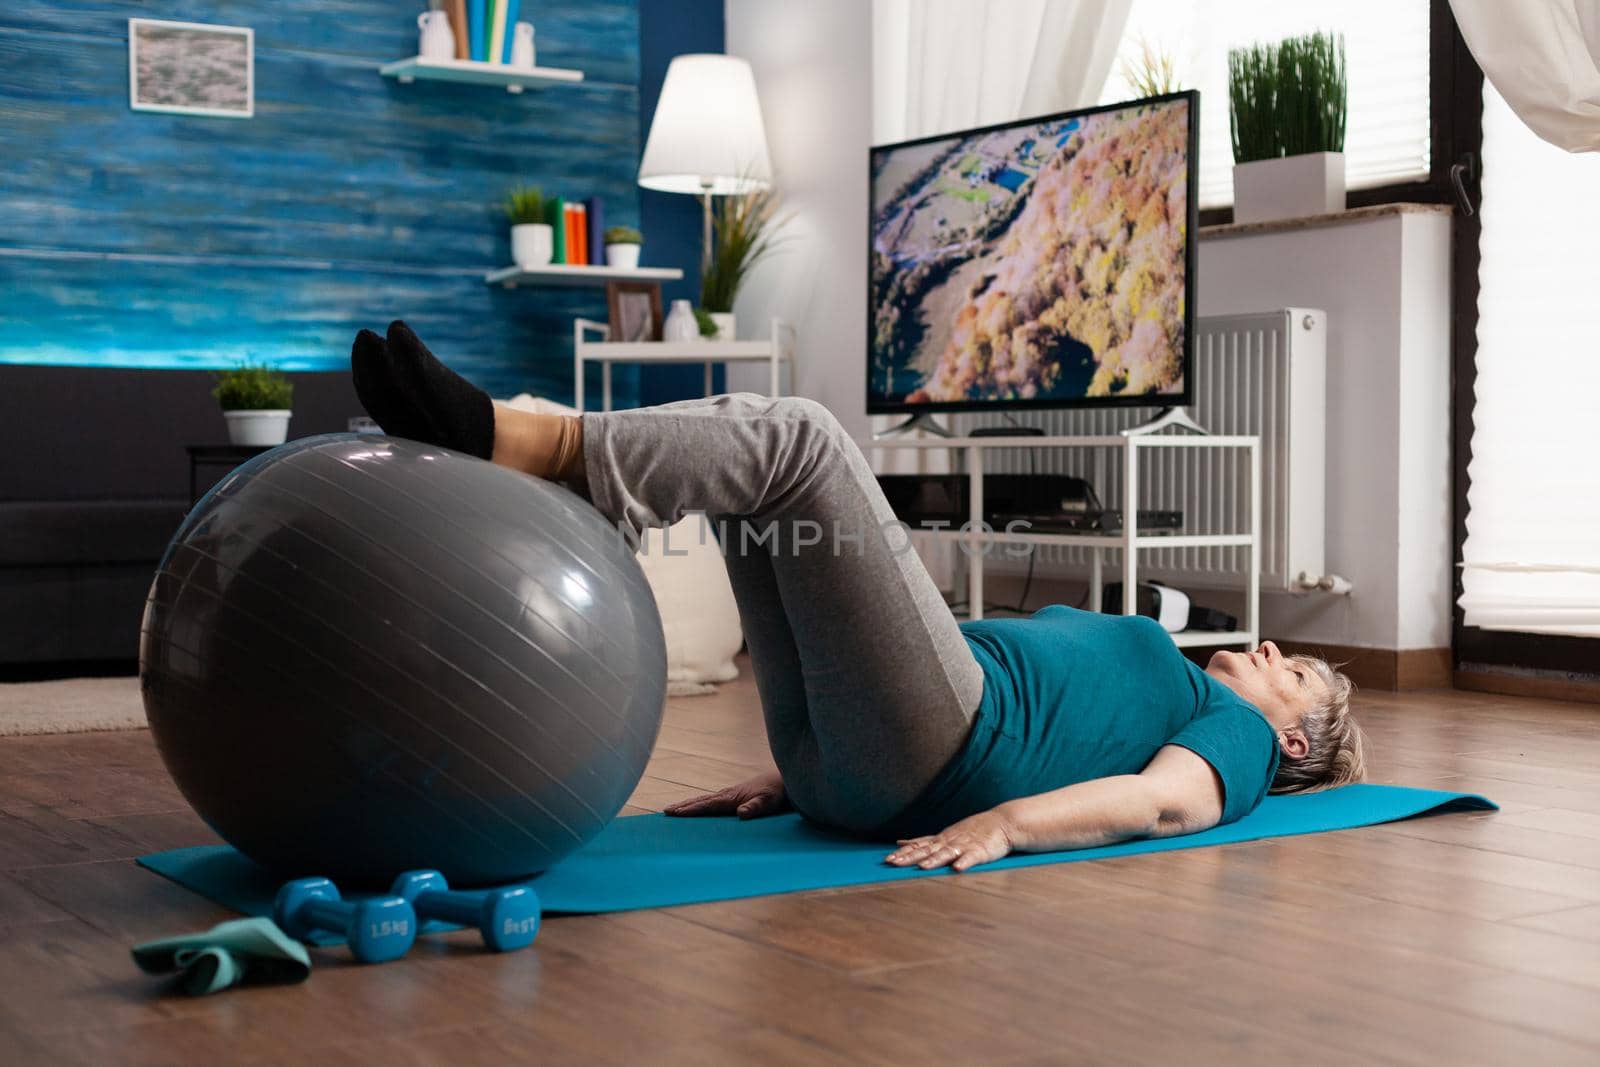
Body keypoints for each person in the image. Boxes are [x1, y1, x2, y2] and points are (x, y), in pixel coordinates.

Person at [351, 321, 1366, 874]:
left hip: (941, 743)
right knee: (756, 479)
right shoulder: (1184, 684)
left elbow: (1165, 802)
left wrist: (1009, 826)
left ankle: (522, 442)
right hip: (852, 759)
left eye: (1301, 671)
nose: (1278, 651)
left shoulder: (1227, 731)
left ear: (1291, 739)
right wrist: (802, 775)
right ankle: (529, 446)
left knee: (799, 436)